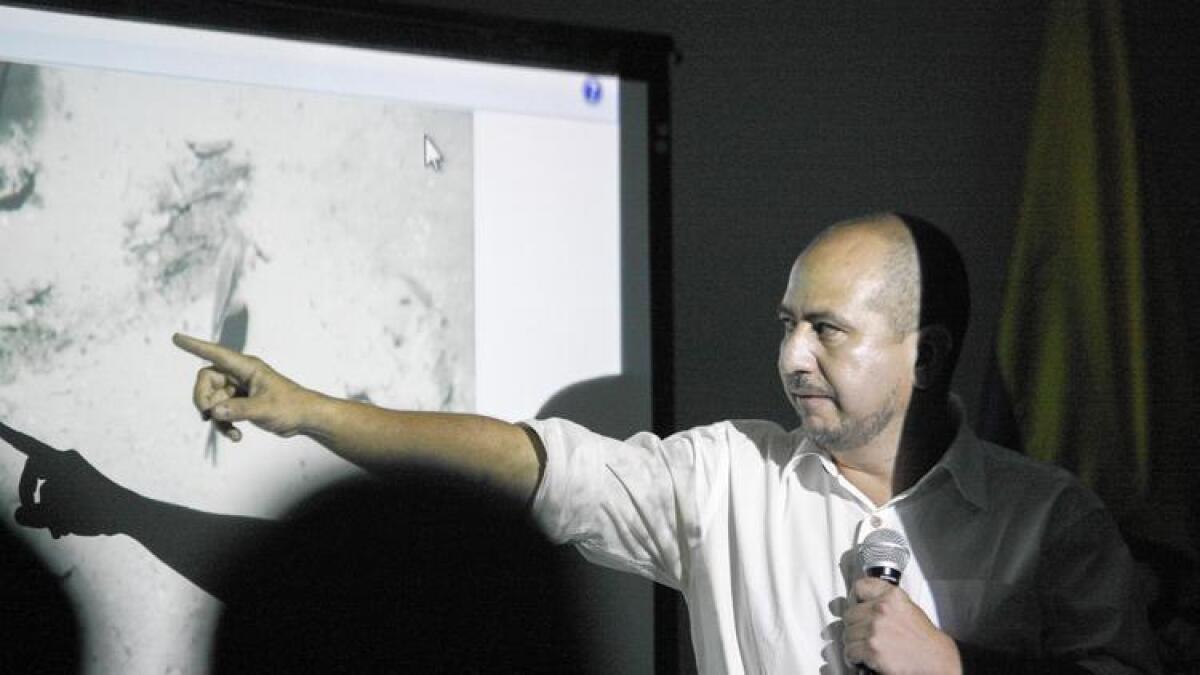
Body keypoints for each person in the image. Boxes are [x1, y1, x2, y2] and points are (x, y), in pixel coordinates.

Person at [174, 212, 1159, 674]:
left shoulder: (1049, 520)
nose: (792, 357)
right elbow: (536, 465)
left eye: (826, 329)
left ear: (928, 353)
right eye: (785, 324)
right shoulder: (725, 475)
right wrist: (310, 411)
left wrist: (956, 672)